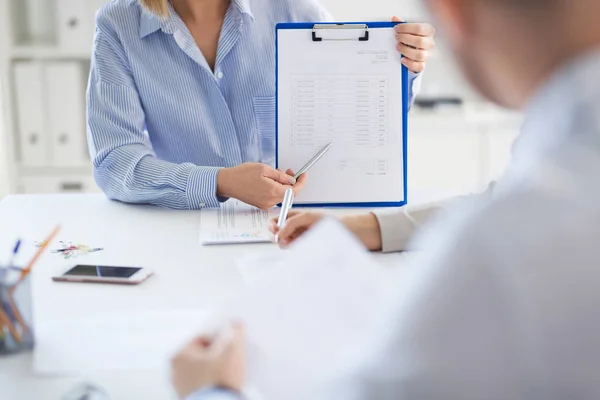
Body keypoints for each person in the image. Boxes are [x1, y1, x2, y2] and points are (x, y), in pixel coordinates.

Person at [170, 0, 600, 398]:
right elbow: (507, 198)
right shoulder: (555, 172)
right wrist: (369, 226)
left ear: (454, 13)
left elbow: (508, 217)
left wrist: (210, 390)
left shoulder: (493, 257)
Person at [86, 0, 435, 210]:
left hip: (292, 227)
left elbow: (353, 116)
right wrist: (219, 182)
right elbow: (115, 163)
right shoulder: (118, 25)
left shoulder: (292, 6)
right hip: (183, 236)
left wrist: (401, 67)